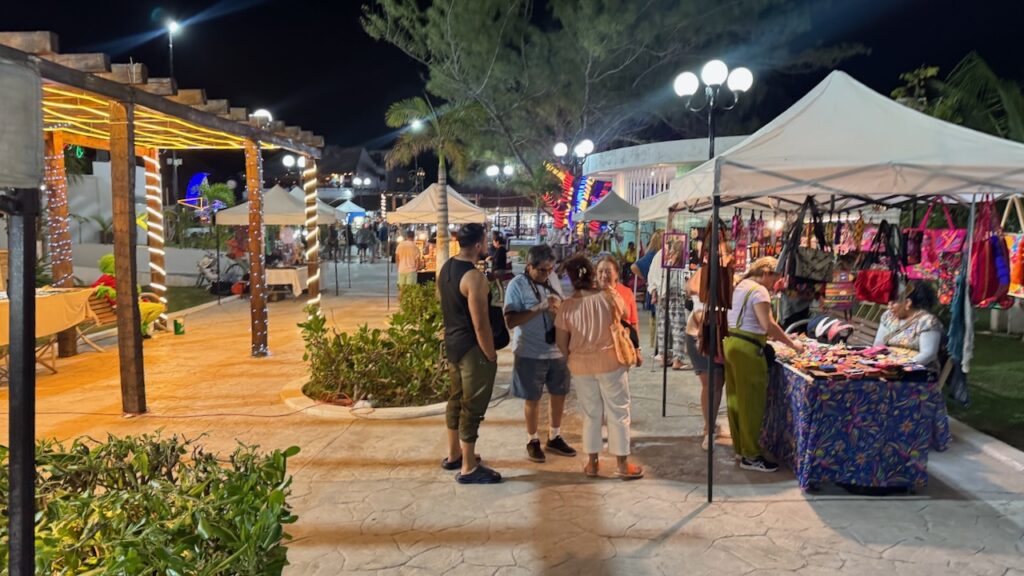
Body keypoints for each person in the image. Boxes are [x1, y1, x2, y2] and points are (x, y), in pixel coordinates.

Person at [555, 254, 644, 480]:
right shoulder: (607, 298)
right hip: (611, 363)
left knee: (591, 414)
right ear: (592, 274)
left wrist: (572, 358)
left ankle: (593, 463)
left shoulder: (566, 306)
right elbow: (625, 313)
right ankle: (622, 465)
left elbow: (561, 342)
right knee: (619, 412)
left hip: (580, 366)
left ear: (572, 279)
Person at [724, 256, 805, 472]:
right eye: (776, 276)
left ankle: (741, 447)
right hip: (747, 348)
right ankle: (751, 456)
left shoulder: (739, 285)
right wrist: (793, 344)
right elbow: (767, 325)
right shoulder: (759, 291)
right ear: (767, 272)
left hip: (731, 343)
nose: (777, 282)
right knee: (751, 402)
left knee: (735, 399)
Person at [439, 223, 502, 484]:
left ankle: (454, 454)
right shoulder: (474, 278)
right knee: (472, 407)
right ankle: (468, 467)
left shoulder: (446, 269)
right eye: (485, 241)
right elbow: (480, 323)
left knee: (455, 400)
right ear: (478, 245)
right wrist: (490, 354)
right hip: (472, 350)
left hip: (453, 345)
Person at [503, 244, 577, 463]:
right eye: (542, 270)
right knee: (532, 397)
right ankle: (532, 439)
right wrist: (539, 307)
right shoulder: (517, 285)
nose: (547, 274)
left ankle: (554, 436)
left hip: (557, 350)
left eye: (550, 269)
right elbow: (510, 321)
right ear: (529, 267)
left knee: (559, 393)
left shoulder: (552, 279)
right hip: (530, 351)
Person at [684, 268, 724, 450]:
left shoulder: (726, 278)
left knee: (717, 383)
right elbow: (701, 316)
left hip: (719, 336)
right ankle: (709, 430)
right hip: (702, 338)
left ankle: (711, 423)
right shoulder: (703, 277)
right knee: (711, 384)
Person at [91, 254, 166, 338]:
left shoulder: (121, 276)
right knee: (141, 311)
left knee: (160, 308)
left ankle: (142, 325)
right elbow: (95, 287)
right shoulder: (106, 277)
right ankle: (139, 328)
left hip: (134, 303)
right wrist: (107, 289)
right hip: (122, 306)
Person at [873, 281, 943, 371]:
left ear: (907, 303)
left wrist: (900, 367)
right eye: (889, 302)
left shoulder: (927, 322)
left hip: (917, 372)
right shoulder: (888, 316)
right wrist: (879, 362)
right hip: (888, 368)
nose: (889, 307)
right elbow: (878, 343)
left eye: (893, 303)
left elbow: (928, 354)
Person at [596, 256, 642, 367]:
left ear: (616, 274)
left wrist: (637, 350)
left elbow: (633, 322)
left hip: (621, 348)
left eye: (608, 271)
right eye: (600, 271)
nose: (604, 275)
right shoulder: (591, 293)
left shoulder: (626, 292)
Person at [647, 246, 688, 369]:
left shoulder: (658, 255)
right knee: (678, 327)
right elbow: (678, 278)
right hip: (674, 291)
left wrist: (653, 291)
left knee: (662, 327)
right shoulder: (678, 254)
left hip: (661, 293)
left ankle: (664, 357)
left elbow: (651, 276)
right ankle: (678, 360)